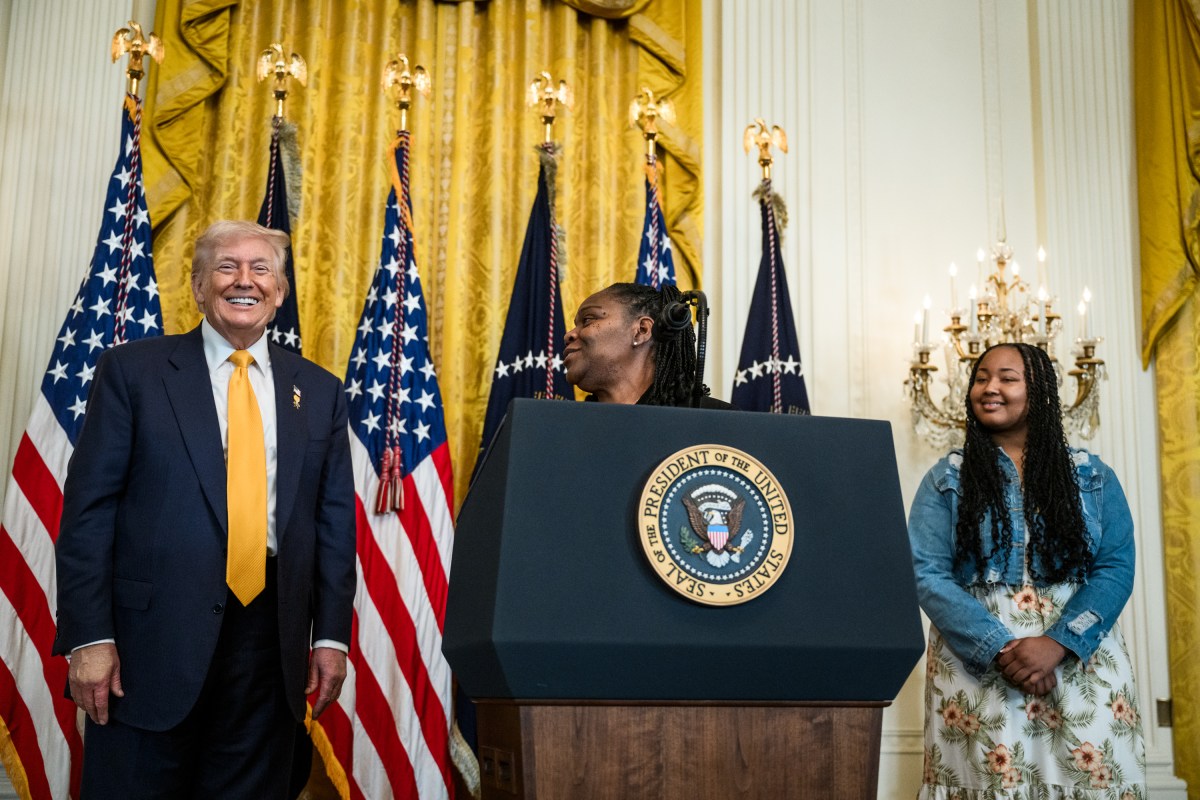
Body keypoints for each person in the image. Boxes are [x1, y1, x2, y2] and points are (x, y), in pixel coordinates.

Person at [53, 220, 356, 799]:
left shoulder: (319, 391)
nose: (245, 281)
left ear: (281, 290)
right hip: (147, 646)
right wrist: (88, 637)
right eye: (226, 267)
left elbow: (333, 525)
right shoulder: (132, 372)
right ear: (197, 286)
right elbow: (89, 513)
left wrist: (331, 637)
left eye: (261, 269)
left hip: (271, 644)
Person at [908, 342, 1145, 798]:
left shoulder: (1092, 477)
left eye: (1007, 378)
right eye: (980, 378)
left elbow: (1115, 566)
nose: (989, 388)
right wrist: (1001, 649)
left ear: (1039, 392)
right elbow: (926, 572)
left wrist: (1059, 642)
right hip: (978, 666)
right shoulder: (946, 478)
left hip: (1080, 663)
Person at [563, 282, 734, 408]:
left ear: (642, 330)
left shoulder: (718, 423)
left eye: (588, 320)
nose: (568, 335)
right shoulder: (567, 429)